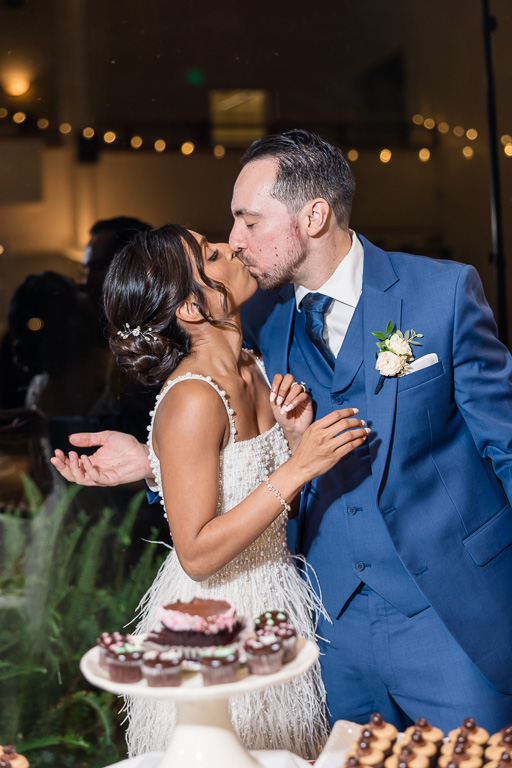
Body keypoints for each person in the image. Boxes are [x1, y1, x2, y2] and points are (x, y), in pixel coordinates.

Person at [52, 130, 512, 734]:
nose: (235, 243)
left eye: (248, 221)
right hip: (323, 632)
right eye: (228, 229)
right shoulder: (259, 317)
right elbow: (216, 434)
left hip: (452, 617)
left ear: (314, 215)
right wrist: (156, 459)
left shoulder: (441, 294)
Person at [75, 223, 369, 758]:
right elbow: (196, 553)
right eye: (211, 254)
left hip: (277, 603)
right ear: (191, 309)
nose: (232, 247)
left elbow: (265, 504)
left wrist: (296, 437)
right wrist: (299, 466)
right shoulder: (192, 398)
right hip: (214, 628)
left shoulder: (255, 365)